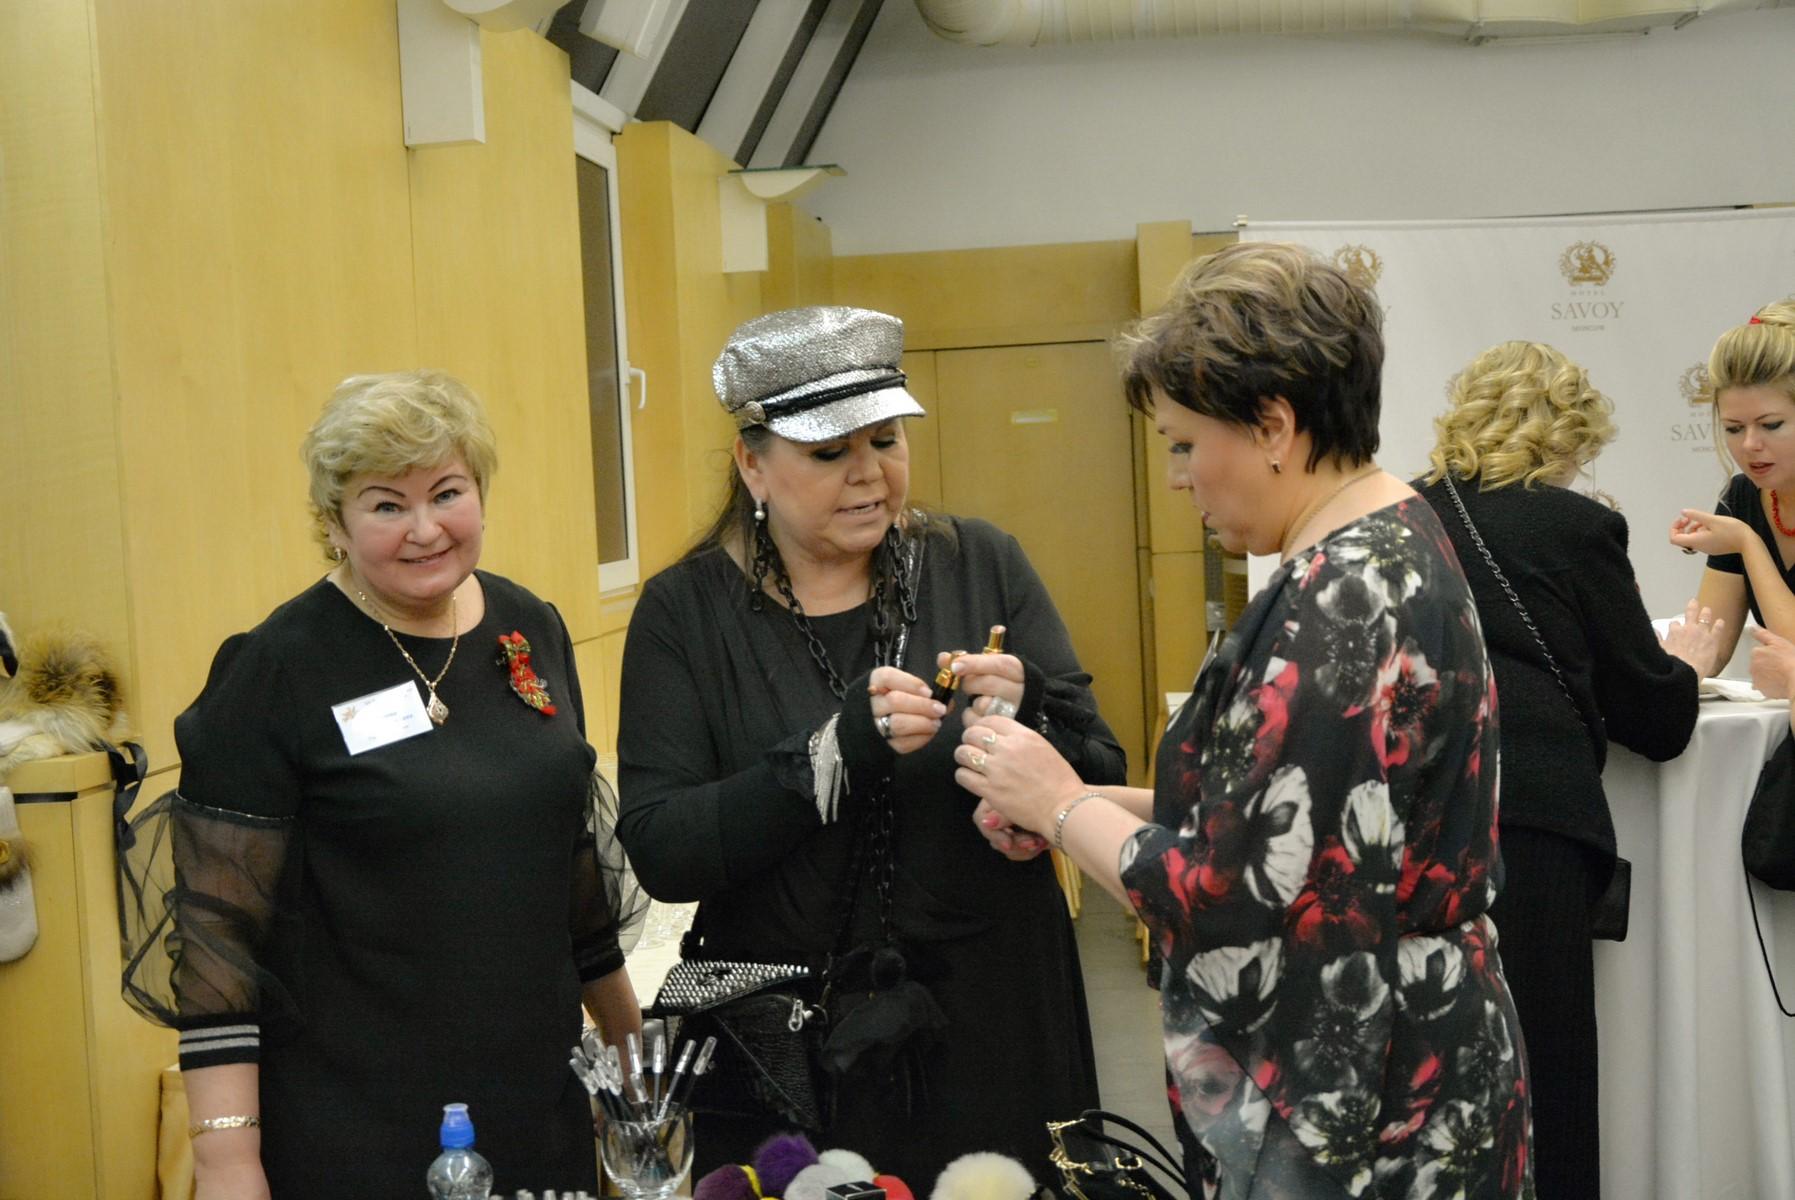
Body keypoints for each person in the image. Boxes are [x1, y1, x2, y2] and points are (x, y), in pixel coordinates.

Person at [958, 244, 1533, 1198]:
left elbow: (1227, 892)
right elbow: (1283, 819)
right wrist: (1070, 801)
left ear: (1272, 426)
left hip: (1365, 1091)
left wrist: (1059, 802)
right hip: (1412, 1056)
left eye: (1185, 444)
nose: (1177, 478)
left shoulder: (1342, 596)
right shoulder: (1385, 540)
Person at [614, 306, 1124, 1179]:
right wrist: (828, 756)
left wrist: (1031, 710)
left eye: (886, 440)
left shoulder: (978, 562)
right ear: (751, 464)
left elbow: (1100, 771)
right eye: (828, 453)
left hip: (993, 1024)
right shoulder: (684, 613)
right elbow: (664, 850)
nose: (869, 474)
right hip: (792, 1049)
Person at [119, 371, 644, 1198]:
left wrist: (629, 1064)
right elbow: (219, 943)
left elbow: (572, 872)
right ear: (334, 523)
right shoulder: (276, 669)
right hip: (356, 1120)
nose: (425, 529)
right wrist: (226, 1159)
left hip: (536, 1101)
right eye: (386, 505)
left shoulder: (530, 626)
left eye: (447, 493)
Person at [1416, 341, 1723, 1197]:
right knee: (1544, 1065)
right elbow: (1652, 717)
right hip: (1532, 819)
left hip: (1417, 813)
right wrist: (1688, 668)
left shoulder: (1404, 514)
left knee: (1433, 1066)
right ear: (1568, 433)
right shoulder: (1576, 526)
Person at [1670, 301, 1795, 662]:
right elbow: (1711, 649)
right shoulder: (1742, 496)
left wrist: (1746, 543)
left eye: (1771, 425)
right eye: (1734, 429)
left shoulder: (1741, 531)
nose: (1750, 444)